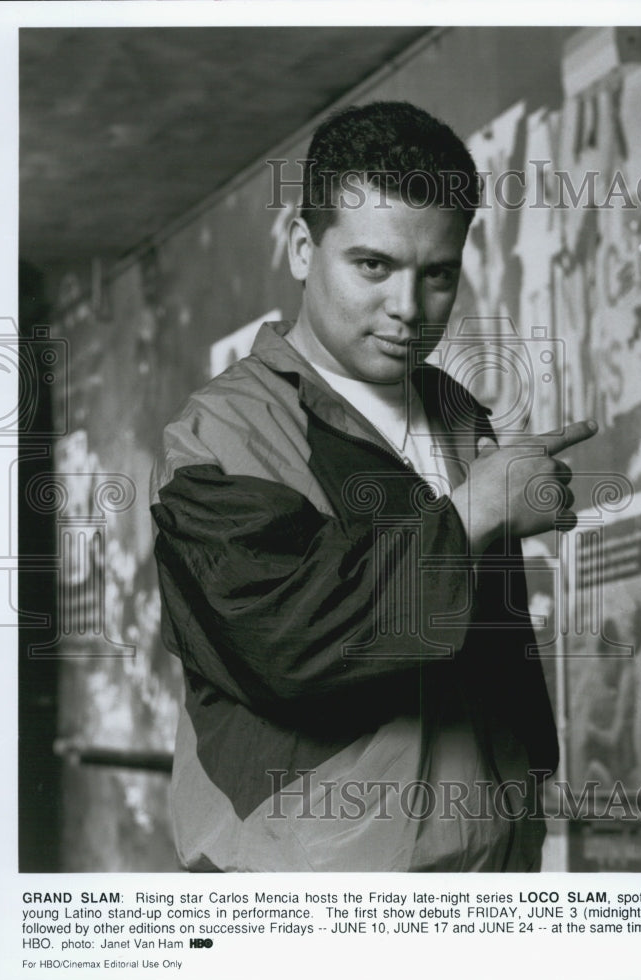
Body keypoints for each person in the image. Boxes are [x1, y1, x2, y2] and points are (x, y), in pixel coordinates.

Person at [150, 101, 597, 872]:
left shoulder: (458, 415)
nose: (406, 308)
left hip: (487, 871)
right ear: (300, 246)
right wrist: (479, 509)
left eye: (436, 275)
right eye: (372, 266)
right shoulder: (219, 435)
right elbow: (290, 640)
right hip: (304, 897)